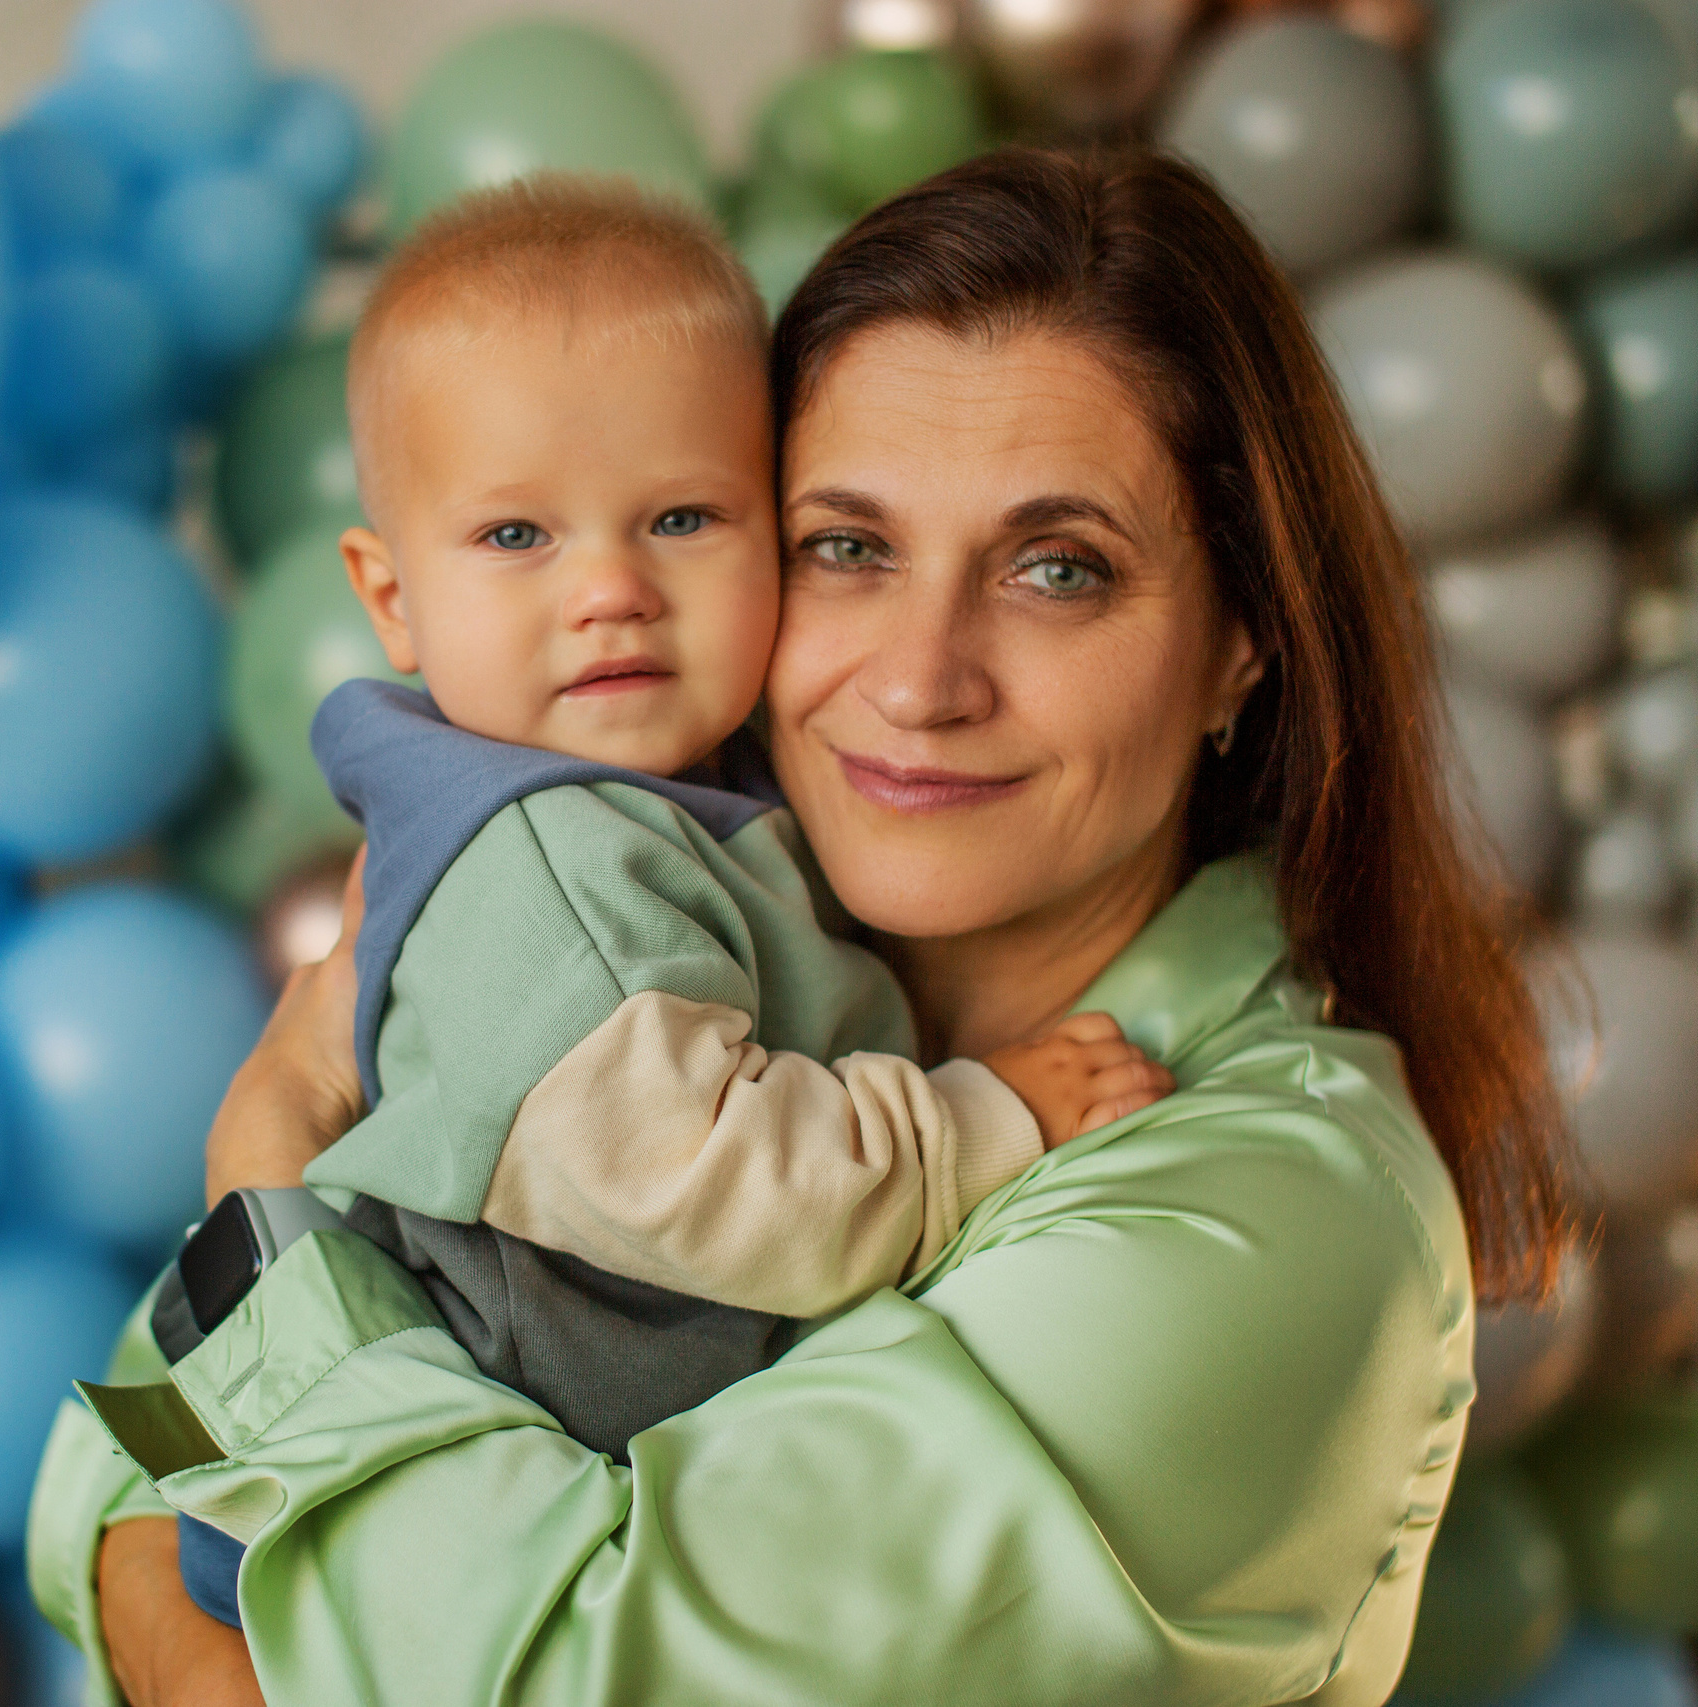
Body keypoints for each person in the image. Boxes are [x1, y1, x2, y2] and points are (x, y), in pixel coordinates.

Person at [30, 147, 1570, 1707]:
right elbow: (110, 1454)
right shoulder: (649, 919)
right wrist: (168, 1526)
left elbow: (545, 1675)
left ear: (1244, 644)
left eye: (1058, 568)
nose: (918, 679)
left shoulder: (1265, 1219)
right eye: (850, 544)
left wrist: (258, 1213)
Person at [160, 173, 1173, 1630]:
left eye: (685, 517)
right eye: (518, 537)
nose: (612, 591)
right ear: (391, 601)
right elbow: (726, 1190)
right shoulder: (552, 873)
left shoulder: (684, 795)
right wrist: (987, 1113)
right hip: (456, 1533)